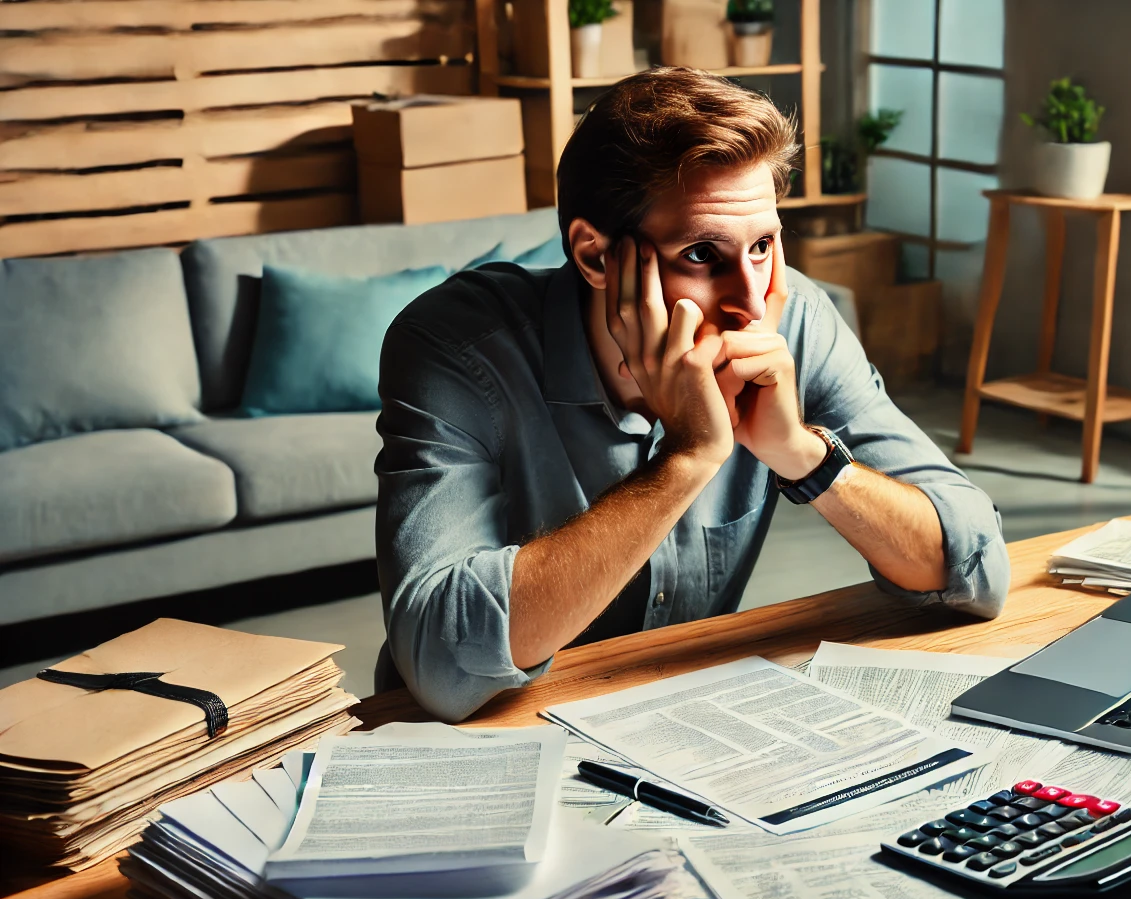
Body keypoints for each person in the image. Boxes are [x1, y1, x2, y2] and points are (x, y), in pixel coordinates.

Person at [374, 67, 1009, 722]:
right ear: (595, 257)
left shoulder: (792, 321)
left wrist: (804, 455)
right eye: (704, 254)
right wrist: (686, 459)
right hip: (480, 740)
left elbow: (979, 572)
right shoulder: (456, 346)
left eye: (763, 245)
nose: (750, 299)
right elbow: (440, 666)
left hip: (676, 723)